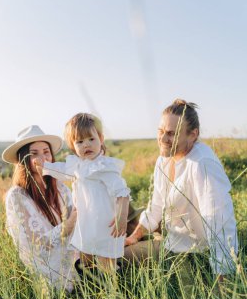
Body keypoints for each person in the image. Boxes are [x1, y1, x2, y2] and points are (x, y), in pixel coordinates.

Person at [125, 99, 238, 281]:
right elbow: (155, 206)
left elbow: (220, 224)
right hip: (170, 232)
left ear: (193, 135)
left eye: (171, 134)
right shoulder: (164, 159)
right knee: (125, 215)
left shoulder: (202, 164)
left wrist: (221, 288)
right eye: (160, 131)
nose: (162, 139)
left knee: (120, 257)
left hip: (190, 250)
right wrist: (134, 237)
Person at [35, 113, 130, 273]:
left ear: (101, 138)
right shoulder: (77, 165)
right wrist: (44, 166)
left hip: (105, 224)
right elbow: (62, 170)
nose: (86, 145)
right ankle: (90, 284)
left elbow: (122, 193)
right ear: (73, 145)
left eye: (91, 139)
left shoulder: (104, 166)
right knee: (85, 253)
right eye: (80, 141)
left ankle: (112, 291)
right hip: (86, 223)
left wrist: (121, 217)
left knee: (106, 260)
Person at [2, 125, 79, 292]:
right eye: (34, 154)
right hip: (50, 270)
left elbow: (79, 218)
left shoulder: (59, 186)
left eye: (46, 151)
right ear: (23, 159)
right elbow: (37, 247)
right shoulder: (17, 196)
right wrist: (69, 225)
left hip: (76, 254)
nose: (42, 158)